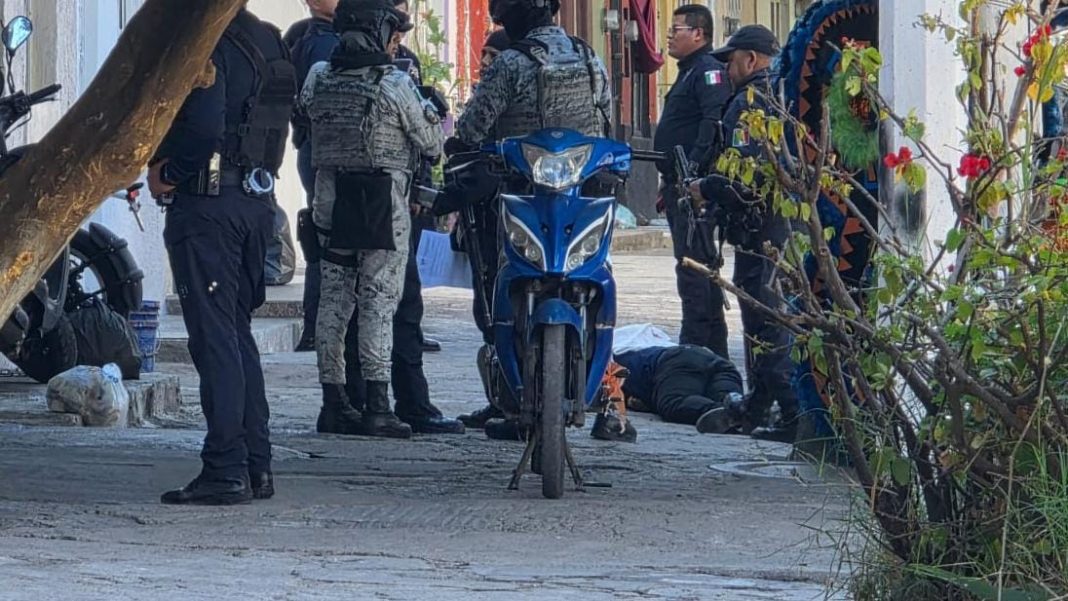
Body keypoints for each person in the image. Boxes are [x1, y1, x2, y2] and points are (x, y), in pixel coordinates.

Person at [150, 5, 296, 505]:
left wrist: (170, 173)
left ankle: (225, 468)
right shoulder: (268, 38)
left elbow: (204, 126)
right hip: (255, 204)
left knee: (215, 340)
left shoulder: (206, 39)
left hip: (209, 206)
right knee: (235, 334)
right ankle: (256, 465)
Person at [448, 0, 611, 440]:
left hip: (520, 195)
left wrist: (460, 149)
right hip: (583, 195)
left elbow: (471, 128)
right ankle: (605, 393)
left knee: (497, 283)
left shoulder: (511, 64)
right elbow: (606, 121)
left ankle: (508, 391)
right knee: (597, 275)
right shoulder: (589, 57)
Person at [301, 0, 445, 439]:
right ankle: (379, 405)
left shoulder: (318, 75)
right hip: (381, 199)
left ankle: (334, 402)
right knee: (379, 299)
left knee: (334, 300)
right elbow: (432, 144)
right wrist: (432, 111)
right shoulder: (394, 83)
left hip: (330, 196)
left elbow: (304, 115)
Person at [688, 25, 799, 443]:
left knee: (767, 320)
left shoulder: (752, 101)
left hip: (763, 229)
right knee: (767, 318)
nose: (728, 71)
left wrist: (707, 187)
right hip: (780, 226)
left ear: (751, 59)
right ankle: (758, 406)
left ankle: (791, 413)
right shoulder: (783, 93)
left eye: (732, 62)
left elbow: (745, 179)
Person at [654, 4, 732, 360]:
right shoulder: (688, 72)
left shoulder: (707, 72)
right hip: (678, 184)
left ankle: (696, 352)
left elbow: (713, 124)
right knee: (694, 267)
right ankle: (710, 354)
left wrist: (694, 174)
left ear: (698, 34)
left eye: (677, 29)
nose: (669, 36)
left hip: (695, 190)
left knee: (695, 269)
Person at [289, 0, 340, 353]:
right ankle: (317, 327)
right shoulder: (320, 43)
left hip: (318, 151)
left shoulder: (323, 37)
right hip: (323, 152)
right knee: (327, 243)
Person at [614, 345, 744, 433]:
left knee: (674, 402)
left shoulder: (612, 354)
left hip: (677, 361)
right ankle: (743, 409)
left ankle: (729, 414)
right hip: (717, 362)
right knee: (728, 398)